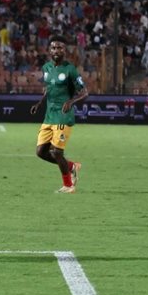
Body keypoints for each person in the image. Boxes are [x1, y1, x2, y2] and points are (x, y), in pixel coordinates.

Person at [30, 36, 89, 194]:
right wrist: (40, 103)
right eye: (54, 48)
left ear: (65, 50)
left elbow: (84, 92)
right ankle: (71, 166)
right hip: (49, 116)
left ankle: (68, 186)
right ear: (49, 50)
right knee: (41, 152)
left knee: (57, 152)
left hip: (63, 116)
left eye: (60, 48)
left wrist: (71, 101)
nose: (56, 51)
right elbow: (48, 88)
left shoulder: (70, 69)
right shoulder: (46, 68)